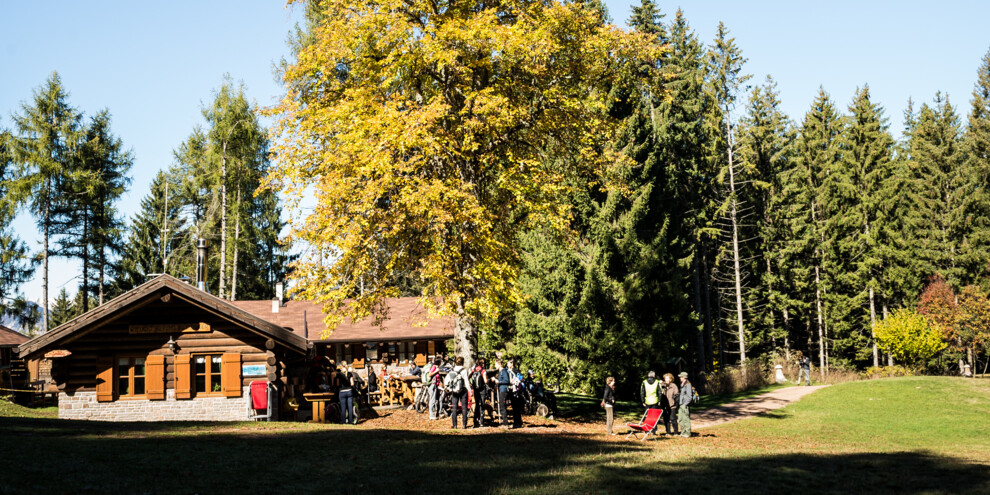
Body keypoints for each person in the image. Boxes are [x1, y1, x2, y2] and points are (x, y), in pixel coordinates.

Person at [446, 356, 470, 429]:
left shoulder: (452, 370)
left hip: (454, 390)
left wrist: (447, 388)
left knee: (454, 407)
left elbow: (447, 380)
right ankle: (464, 424)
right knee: (464, 407)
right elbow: (466, 381)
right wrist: (470, 392)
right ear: (463, 362)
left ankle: (455, 424)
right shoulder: (464, 370)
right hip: (463, 390)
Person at [470, 358, 489, 428]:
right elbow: (485, 381)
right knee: (482, 405)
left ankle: (475, 421)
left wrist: (471, 384)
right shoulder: (483, 370)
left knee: (477, 405)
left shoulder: (474, 369)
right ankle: (481, 421)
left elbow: (469, 376)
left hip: (476, 389)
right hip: (482, 389)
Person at [496, 359, 512, 427]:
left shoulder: (504, 371)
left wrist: (498, 382)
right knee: (501, 405)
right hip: (501, 389)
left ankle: (505, 423)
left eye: (496, 364)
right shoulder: (500, 372)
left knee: (502, 405)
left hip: (504, 390)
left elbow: (506, 380)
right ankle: (504, 422)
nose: (495, 366)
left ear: (499, 364)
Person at [507, 361, 524, 428]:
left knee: (515, 407)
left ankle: (517, 423)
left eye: (508, 363)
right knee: (516, 408)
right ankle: (518, 422)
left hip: (514, 391)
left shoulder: (513, 372)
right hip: (517, 391)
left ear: (512, 364)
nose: (507, 364)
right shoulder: (517, 371)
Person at [677, 371, 693, 437]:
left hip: (684, 404)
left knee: (686, 419)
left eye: (681, 377)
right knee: (680, 418)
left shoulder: (688, 384)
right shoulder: (683, 384)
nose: (680, 378)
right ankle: (683, 432)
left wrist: (685, 404)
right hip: (681, 404)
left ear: (684, 377)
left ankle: (688, 433)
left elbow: (690, 396)